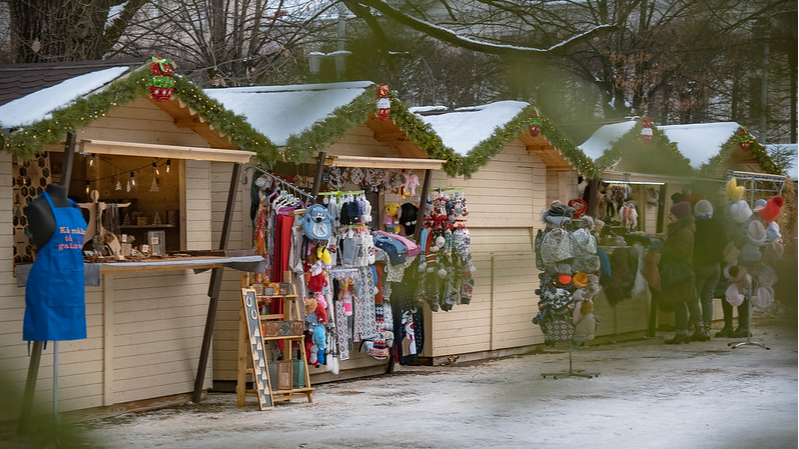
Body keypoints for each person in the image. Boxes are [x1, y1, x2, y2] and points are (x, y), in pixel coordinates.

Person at [23, 183, 88, 342]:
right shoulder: (38, 207)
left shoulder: (76, 208)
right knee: (44, 329)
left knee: (71, 330)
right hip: (48, 283)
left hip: (73, 282)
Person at [659, 201, 698, 344]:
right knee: (682, 302)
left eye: (672, 215)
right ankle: (685, 332)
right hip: (681, 271)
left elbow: (681, 252)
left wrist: (664, 248)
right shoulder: (683, 230)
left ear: (679, 216)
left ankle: (682, 333)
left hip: (680, 272)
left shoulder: (683, 232)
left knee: (678, 302)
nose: (670, 217)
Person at [690, 199, 726, 341]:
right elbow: (724, 243)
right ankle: (706, 329)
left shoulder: (695, 226)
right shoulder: (718, 224)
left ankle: (698, 328)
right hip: (715, 267)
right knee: (707, 299)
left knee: (693, 298)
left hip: (700, 266)